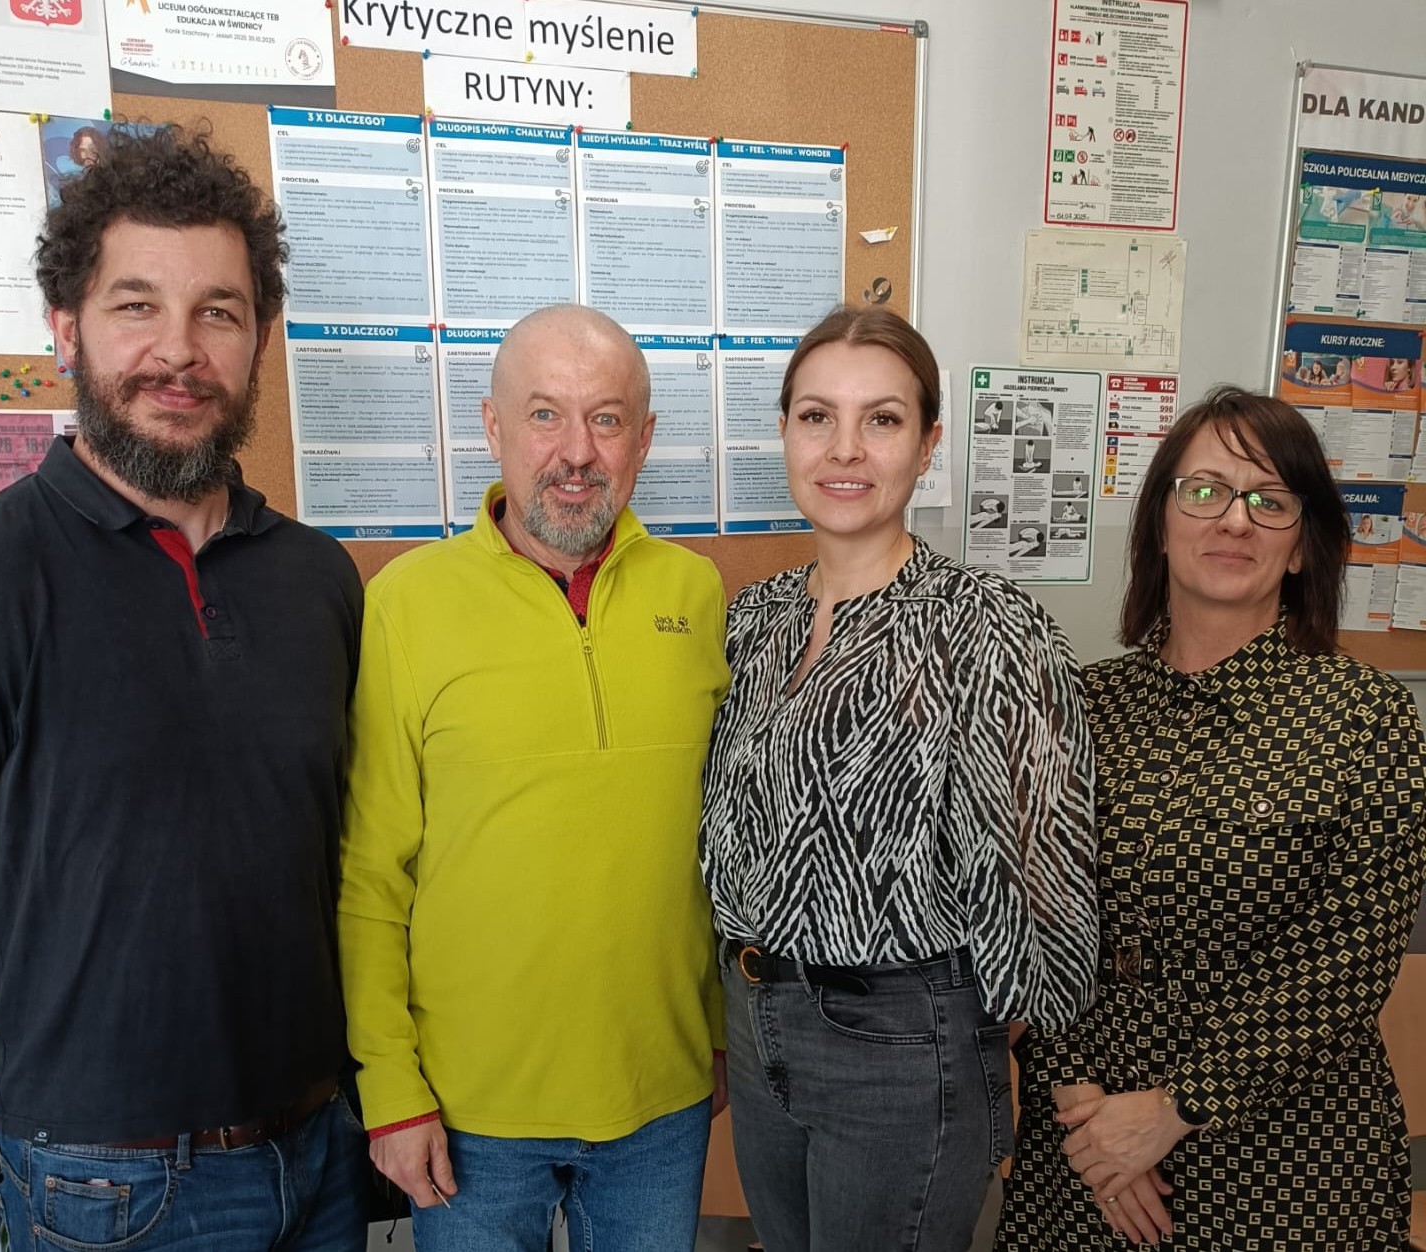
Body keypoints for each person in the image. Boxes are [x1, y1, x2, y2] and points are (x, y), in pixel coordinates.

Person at [0, 126, 369, 1251]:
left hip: (320, 1153)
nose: (179, 351)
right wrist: (32, 1072)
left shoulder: (317, 578)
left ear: (259, 338)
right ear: (67, 326)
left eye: (218, 311)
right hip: (105, 1187)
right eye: (136, 305)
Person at [700, 306, 1098, 1252]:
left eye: (881, 419)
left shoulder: (987, 625)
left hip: (901, 1044)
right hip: (757, 1023)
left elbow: (1043, 882)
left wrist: (969, 1038)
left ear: (926, 445)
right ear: (785, 432)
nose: (844, 449)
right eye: (816, 417)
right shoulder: (754, 619)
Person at [339, 304, 730, 1252]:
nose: (576, 452)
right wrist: (389, 1088)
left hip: (660, 1096)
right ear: (493, 427)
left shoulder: (697, 594)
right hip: (468, 1108)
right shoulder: (404, 604)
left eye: (607, 419)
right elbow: (368, 875)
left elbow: (720, 845)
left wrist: (718, 1035)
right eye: (545, 414)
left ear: (644, 439)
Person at [999, 387, 1426, 1251]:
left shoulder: (1366, 718)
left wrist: (1174, 1109)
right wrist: (1083, 1110)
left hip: (1288, 1156)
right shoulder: (1077, 705)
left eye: (1270, 501)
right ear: (1160, 524)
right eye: (1205, 491)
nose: (1235, 520)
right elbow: (1023, 918)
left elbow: (1349, 955)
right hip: (1085, 1147)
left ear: (1302, 546)